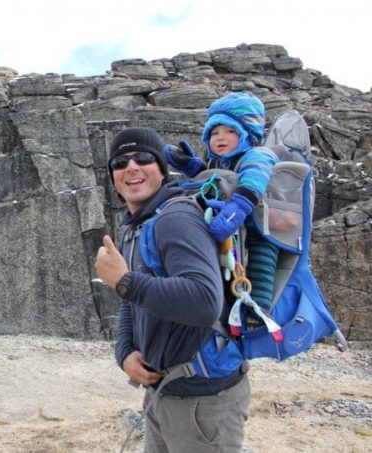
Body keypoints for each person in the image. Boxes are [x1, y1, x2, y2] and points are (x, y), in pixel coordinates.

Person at [95, 127, 250, 452]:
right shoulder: (136, 227)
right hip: (164, 391)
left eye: (144, 158)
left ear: (163, 170)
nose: (132, 167)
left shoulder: (175, 219)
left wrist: (125, 281)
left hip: (203, 402)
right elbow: (132, 302)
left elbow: (205, 301)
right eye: (120, 162)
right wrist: (124, 351)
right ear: (113, 178)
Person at [165, 92, 280, 311]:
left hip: (258, 223)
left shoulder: (257, 155)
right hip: (230, 229)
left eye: (230, 131)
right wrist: (192, 167)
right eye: (214, 132)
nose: (220, 137)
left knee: (262, 253)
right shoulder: (220, 162)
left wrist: (239, 207)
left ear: (249, 134)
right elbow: (217, 180)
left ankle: (258, 310)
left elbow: (254, 180)